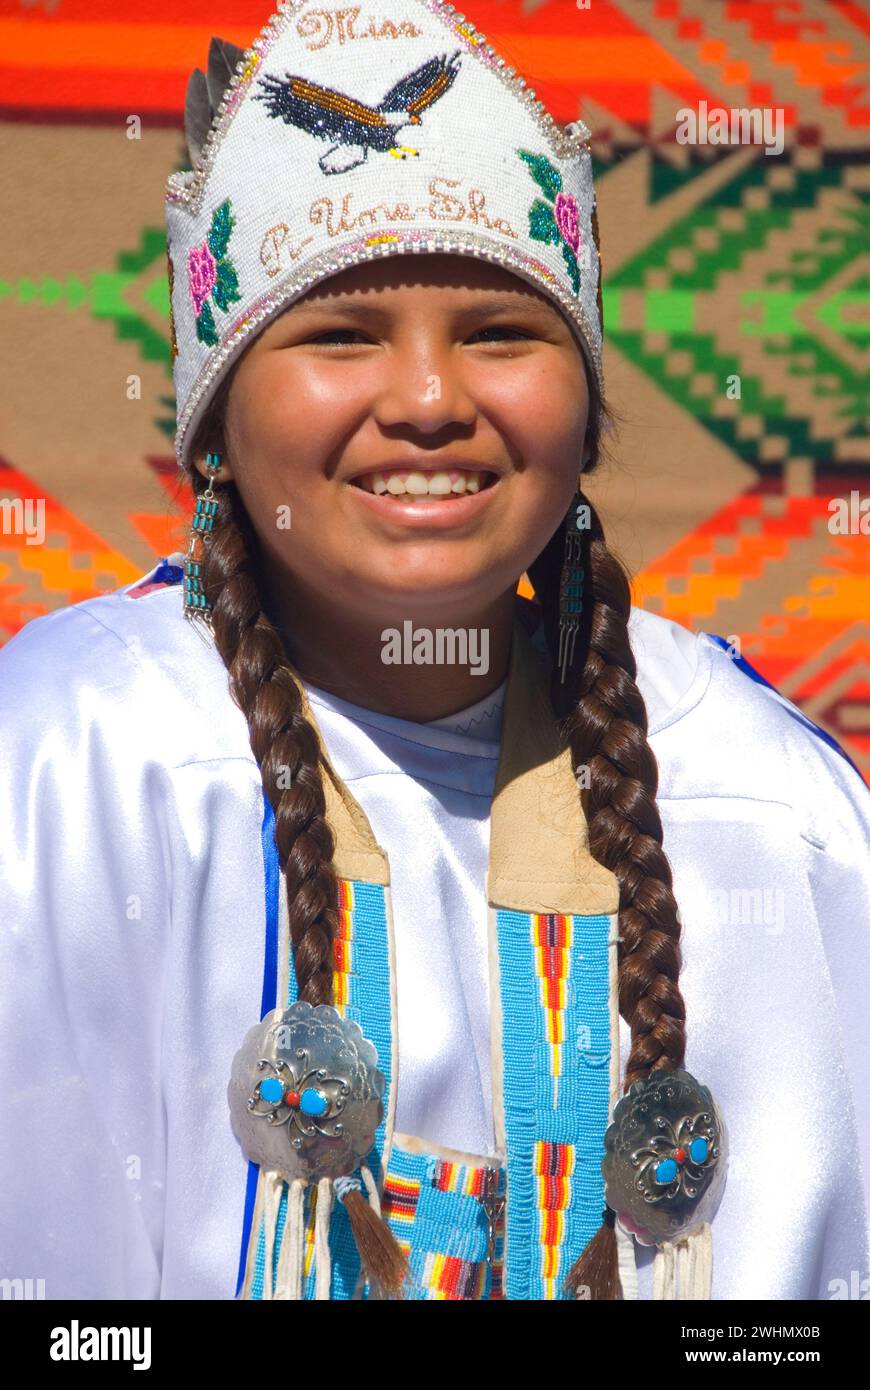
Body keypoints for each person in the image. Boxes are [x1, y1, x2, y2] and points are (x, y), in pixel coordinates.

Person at [1, 0, 868, 1302]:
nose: (424, 401)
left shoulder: (768, 811)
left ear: (584, 406)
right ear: (215, 424)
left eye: (499, 332)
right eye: (339, 336)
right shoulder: (76, 768)